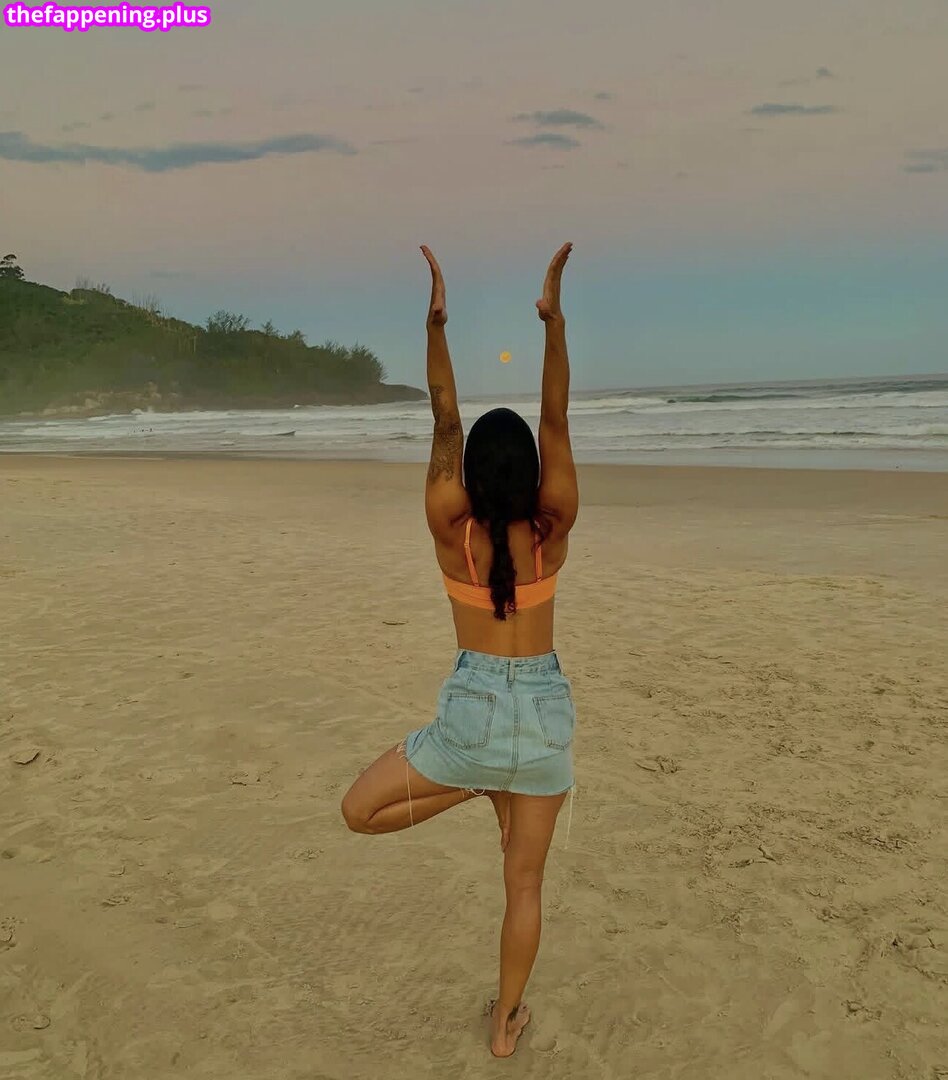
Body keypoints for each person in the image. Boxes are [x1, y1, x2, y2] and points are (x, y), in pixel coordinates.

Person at [341, 242, 579, 1058]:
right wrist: (552, 324)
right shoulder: (552, 529)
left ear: (473, 473)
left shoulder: (454, 532)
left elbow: (444, 418)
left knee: (357, 812)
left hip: (472, 723)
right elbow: (557, 419)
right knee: (525, 885)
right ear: (533, 474)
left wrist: (435, 327)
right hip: (544, 726)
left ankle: (475, 779)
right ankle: (506, 1026)